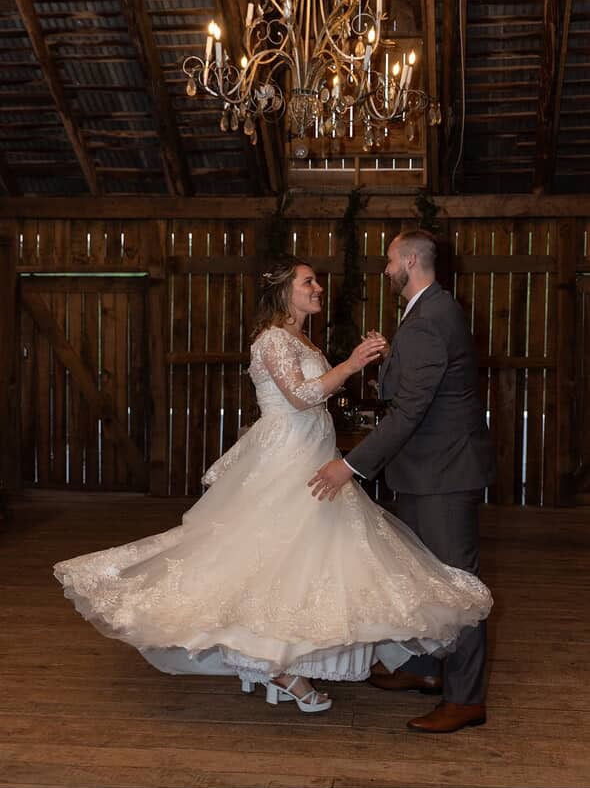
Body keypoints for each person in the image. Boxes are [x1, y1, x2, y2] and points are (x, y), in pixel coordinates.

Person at [54, 255, 492, 716]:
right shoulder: (271, 340)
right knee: (271, 557)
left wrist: (364, 364)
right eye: (309, 282)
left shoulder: (302, 338)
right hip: (287, 461)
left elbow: (319, 392)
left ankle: (287, 660)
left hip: (315, 453)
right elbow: (300, 396)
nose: (319, 287)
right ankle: (273, 665)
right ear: (286, 292)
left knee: (313, 561)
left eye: (318, 281)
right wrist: (350, 364)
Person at [309, 230, 496, 733]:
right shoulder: (427, 312)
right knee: (423, 574)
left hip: (443, 472)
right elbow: (413, 386)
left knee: (458, 586)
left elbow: (411, 409)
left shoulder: (431, 318)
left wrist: (349, 466)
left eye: (390, 259)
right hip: (428, 469)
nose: (385, 266)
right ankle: (423, 669)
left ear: (410, 260)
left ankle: (464, 698)